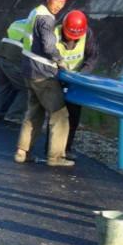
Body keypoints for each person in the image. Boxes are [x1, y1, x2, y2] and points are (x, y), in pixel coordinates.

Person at [14, 0, 75, 167]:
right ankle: (55, 157)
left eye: (64, 1)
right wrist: (60, 61)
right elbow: (48, 47)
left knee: (34, 112)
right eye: (58, 0)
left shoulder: (35, 12)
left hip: (28, 69)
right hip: (43, 73)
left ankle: (22, 152)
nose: (60, 5)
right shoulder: (47, 19)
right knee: (60, 114)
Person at [44, 10, 99, 160]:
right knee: (56, 115)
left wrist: (82, 74)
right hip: (56, 77)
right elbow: (45, 55)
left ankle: (66, 149)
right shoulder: (53, 33)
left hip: (76, 79)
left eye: (75, 37)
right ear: (64, 27)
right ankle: (52, 149)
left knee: (73, 116)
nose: (72, 40)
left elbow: (92, 57)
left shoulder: (87, 34)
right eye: (69, 35)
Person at [0, 13, 33, 125]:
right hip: (14, 58)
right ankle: (13, 116)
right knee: (27, 88)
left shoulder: (18, 22)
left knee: (1, 85)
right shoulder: (37, 26)